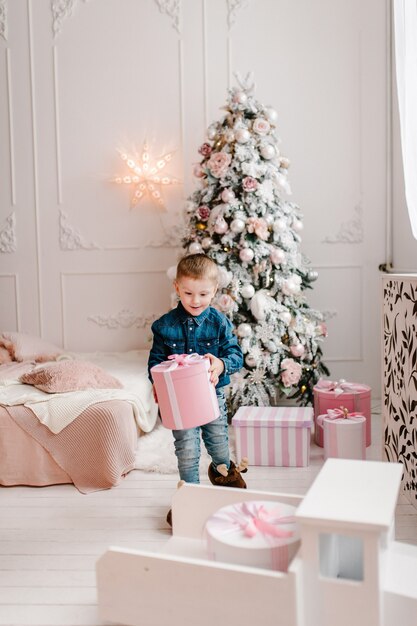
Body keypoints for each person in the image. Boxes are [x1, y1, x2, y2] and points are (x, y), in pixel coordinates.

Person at [148, 254, 247, 525]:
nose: (195, 300)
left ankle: (224, 471)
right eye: (188, 293)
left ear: (215, 291)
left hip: (210, 395)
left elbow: (235, 355)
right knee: (187, 448)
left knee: (218, 441)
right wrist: (158, 384)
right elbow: (155, 363)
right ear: (177, 288)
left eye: (204, 294)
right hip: (180, 400)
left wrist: (220, 364)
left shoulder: (219, 323)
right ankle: (190, 497)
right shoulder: (164, 326)